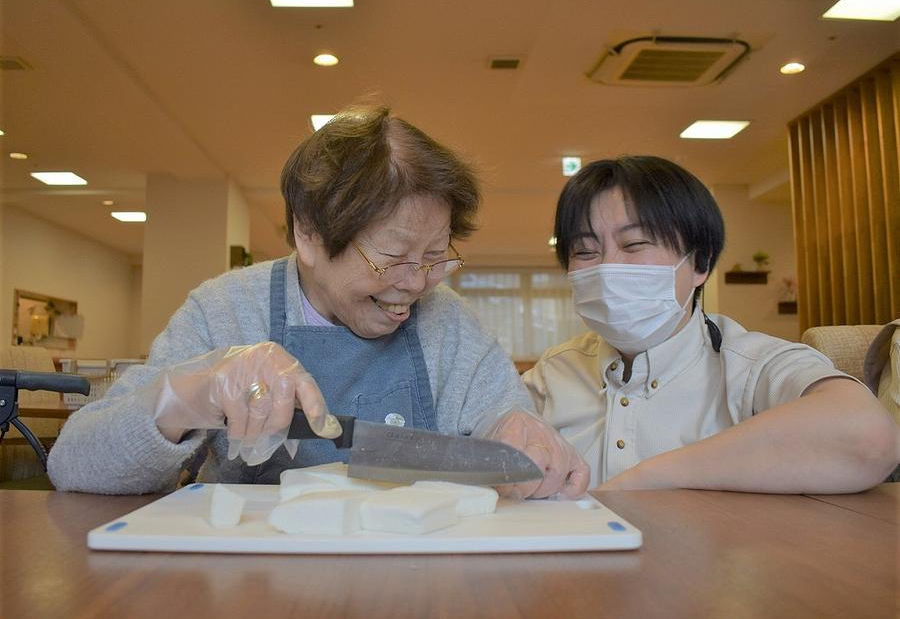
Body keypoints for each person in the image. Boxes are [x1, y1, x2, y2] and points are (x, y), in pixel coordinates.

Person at [48, 105, 589, 498]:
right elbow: (74, 464)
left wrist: (517, 430)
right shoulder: (226, 309)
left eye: (434, 255)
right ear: (308, 236)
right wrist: (188, 397)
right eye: (393, 257)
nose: (415, 284)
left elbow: (504, 412)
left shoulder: (447, 322)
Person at [524, 155, 900, 493]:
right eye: (585, 252)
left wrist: (649, 478)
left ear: (699, 264)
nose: (607, 268)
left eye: (635, 244)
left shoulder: (750, 365)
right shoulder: (555, 372)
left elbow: (868, 436)